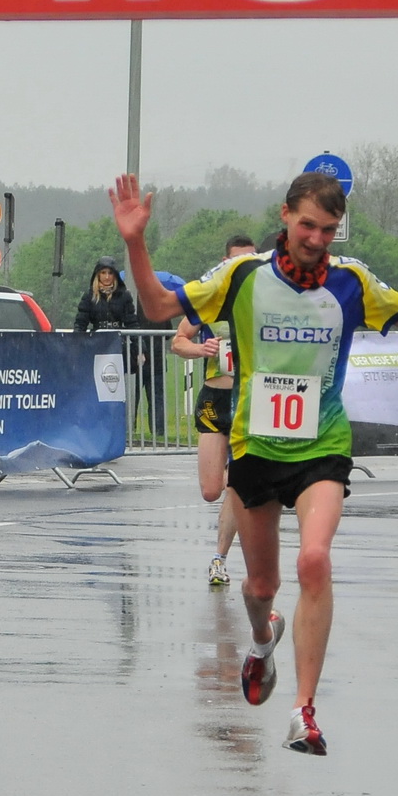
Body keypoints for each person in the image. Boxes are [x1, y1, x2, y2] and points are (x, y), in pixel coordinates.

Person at [111, 171, 398, 756]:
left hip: (323, 443)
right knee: (262, 587)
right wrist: (135, 241)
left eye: (328, 229)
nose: (316, 238)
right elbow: (158, 306)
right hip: (256, 447)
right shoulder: (244, 275)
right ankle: (262, 643)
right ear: (286, 216)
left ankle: (303, 712)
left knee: (315, 560)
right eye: (307, 224)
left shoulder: (350, 281)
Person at [170, 234, 258, 586]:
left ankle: (219, 559)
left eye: (250, 261)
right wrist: (201, 349)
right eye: (236, 261)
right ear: (225, 264)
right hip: (214, 399)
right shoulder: (210, 300)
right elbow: (178, 342)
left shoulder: (265, 302)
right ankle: (243, 477)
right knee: (211, 490)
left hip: (248, 401)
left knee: (237, 481)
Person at [72, 257, 136, 332]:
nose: (107, 277)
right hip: (97, 340)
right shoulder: (89, 295)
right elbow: (81, 323)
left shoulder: (124, 295)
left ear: (115, 275)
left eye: (110, 273)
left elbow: (132, 324)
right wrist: (76, 342)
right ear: (98, 274)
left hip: (118, 340)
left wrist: (139, 343)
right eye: (103, 272)